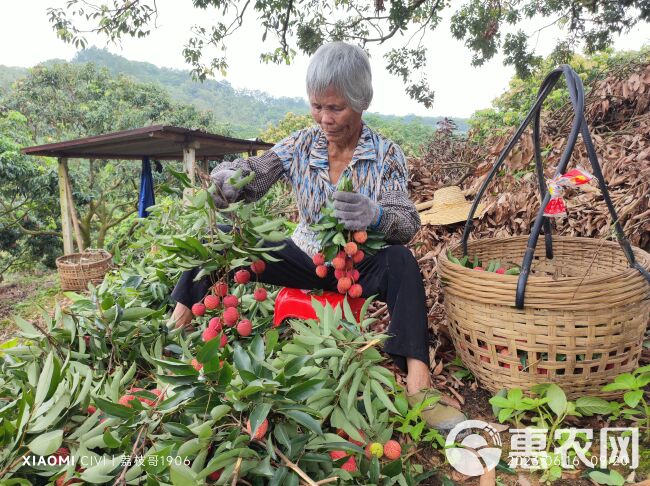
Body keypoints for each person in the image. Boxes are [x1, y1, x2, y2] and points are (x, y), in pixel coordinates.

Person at [169, 41, 466, 432]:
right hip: (303, 257)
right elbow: (257, 172)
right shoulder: (300, 145)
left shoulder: (385, 154)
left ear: (360, 102)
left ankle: (419, 386)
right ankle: (174, 331)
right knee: (222, 239)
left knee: (403, 263)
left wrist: (376, 215)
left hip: (356, 265)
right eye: (317, 106)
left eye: (335, 107)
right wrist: (231, 180)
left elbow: (407, 221)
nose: (324, 118)